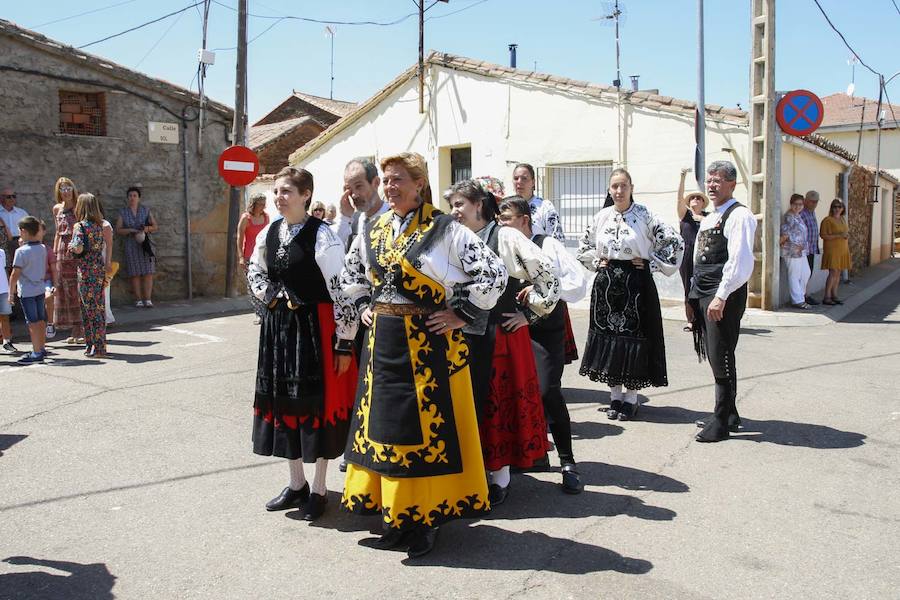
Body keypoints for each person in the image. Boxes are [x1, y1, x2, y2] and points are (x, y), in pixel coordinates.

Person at [340, 152, 507, 558]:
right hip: (383, 346)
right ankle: (396, 517)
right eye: (386, 179)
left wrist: (460, 314)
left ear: (419, 184)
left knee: (427, 434)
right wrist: (365, 303)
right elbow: (350, 275)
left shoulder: (445, 228)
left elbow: (494, 273)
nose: (390, 186)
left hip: (429, 348)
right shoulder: (373, 227)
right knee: (386, 431)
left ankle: (426, 520)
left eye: (399, 179)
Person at [247, 166, 359, 522]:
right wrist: (272, 296)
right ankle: (296, 483)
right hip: (281, 328)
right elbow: (255, 270)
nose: (279, 197)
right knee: (285, 404)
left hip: (315, 327)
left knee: (317, 405)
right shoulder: (270, 230)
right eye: (277, 191)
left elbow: (342, 289)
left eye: (286, 192)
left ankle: (321, 488)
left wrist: (344, 341)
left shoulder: (323, 235)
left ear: (306, 195)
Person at [448, 180, 558, 505]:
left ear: (479, 205)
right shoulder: (454, 239)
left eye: (459, 204)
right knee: (470, 406)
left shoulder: (506, 236)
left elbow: (548, 274)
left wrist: (530, 314)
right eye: (452, 204)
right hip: (462, 335)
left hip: (500, 336)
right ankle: (474, 474)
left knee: (498, 405)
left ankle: (500, 478)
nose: (453, 211)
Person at [577, 168, 684, 421]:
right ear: (609, 189)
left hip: (635, 284)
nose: (618, 191)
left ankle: (632, 399)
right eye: (614, 186)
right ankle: (615, 396)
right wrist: (595, 261)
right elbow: (584, 245)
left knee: (633, 340)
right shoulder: (602, 216)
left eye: (623, 185)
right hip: (606, 286)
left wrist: (652, 263)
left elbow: (675, 242)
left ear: (631, 188)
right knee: (610, 339)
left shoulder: (645, 215)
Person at [500, 196, 589, 493]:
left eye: (508, 220)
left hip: (543, 330)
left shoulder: (546, 244)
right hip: (512, 330)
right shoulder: (498, 244)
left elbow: (576, 283)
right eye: (500, 221)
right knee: (513, 393)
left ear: (524, 220)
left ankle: (568, 462)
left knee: (547, 390)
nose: (503, 226)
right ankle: (528, 455)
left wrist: (537, 297)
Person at [689, 161, 757, 443]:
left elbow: (739, 261)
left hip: (722, 294)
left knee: (721, 353)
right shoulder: (710, 216)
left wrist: (721, 296)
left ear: (732, 184)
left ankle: (720, 422)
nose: (712, 185)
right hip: (705, 291)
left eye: (718, 180)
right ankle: (729, 413)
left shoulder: (739, 215)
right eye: (710, 180)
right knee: (719, 353)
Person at [512, 163, 579, 363]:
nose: (519, 182)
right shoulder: (509, 206)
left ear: (533, 182)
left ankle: (549, 383)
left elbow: (556, 241)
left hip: (543, 277)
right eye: (516, 178)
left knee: (547, 338)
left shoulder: (544, 207)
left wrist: (543, 279)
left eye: (524, 178)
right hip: (518, 277)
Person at [68, 194, 113, 358]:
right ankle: (99, 346)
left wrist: (71, 246)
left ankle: (92, 346)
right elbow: (107, 245)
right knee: (98, 309)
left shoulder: (79, 226)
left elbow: (78, 248)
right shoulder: (100, 225)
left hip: (86, 271)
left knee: (88, 310)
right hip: (98, 269)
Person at [9, 216, 48, 363]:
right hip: (39, 288)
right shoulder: (42, 248)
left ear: (24, 231)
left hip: (27, 291)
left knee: (32, 322)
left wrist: (11, 293)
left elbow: (15, 274)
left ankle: (36, 352)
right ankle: (41, 348)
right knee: (40, 320)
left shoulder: (21, 252)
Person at [51, 178, 84, 344]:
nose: (66, 191)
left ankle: (81, 329)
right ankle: (73, 329)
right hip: (62, 252)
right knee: (64, 290)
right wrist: (55, 254)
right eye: (62, 188)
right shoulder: (57, 208)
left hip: (76, 251)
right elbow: (57, 233)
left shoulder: (78, 207)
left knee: (76, 289)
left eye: (68, 188)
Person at [676, 168, 709, 331]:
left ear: (703, 203)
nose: (696, 199)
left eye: (699, 198)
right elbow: (679, 200)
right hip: (688, 255)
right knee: (689, 289)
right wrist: (682, 179)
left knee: (704, 287)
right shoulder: (685, 216)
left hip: (704, 255)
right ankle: (691, 320)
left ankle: (703, 319)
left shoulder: (709, 217)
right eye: (693, 198)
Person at [115, 187, 157, 308]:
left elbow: (155, 226)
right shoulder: (123, 212)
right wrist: (130, 230)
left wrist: (146, 229)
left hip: (145, 244)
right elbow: (118, 229)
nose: (132, 198)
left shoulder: (146, 210)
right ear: (127, 198)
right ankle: (138, 299)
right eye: (130, 196)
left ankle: (148, 299)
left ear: (139, 198)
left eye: (135, 196)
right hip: (131, 244)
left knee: (148, 272)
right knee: (135, 273)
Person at [337, 158, 390, 252]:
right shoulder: (352, 223)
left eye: (359, 186)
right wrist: (345, 217)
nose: (354, 195)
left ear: (376, 182)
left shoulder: (395, 218)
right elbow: (335, 252)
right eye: (349, 188)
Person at [237, 194, 270, 324]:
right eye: (261, 203)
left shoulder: (266, 217)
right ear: (254, 204)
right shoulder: (246, 218)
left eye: (264, 203)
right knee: (253, 286)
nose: (263, 206)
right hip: (249, 257)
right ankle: (259, 313)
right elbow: (239, 238)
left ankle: (266, 312)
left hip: (264, 256)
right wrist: (240, 257)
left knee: (265, 284)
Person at [780, 194, 811, 309]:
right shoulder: (789, 216)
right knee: (795, 275)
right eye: (795, 204)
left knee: (806, 273)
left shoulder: (798, 216)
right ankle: (798, 300)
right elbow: (785, 233)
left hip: (801, 251)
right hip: (792, 251)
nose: (798, 206)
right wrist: (794, 244)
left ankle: (800, 296)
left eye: (800, 204)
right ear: (791, 204)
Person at [820, 199, 851, 305]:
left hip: (842, 249)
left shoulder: (842, 219)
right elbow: (823, 235)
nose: (837, 209)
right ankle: (827, 296)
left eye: (839, 207)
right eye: (835, 206)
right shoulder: (827, 220)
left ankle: (834, 295)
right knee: (833, 272)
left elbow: (844, 232)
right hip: (832, 250)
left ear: (843, 208)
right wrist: (839, 235)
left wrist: (845, 235)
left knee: (838, 273)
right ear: (832, 208)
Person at [798, 190, 820, 305]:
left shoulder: (812, 212)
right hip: (804, 250)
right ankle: (803, 296)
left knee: (809, 272)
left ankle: (806, 294)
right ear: (806, 201)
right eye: (812, 202)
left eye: (816, 202)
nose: (814, 204)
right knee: (805, 273)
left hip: (812, 249)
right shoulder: (802, 213)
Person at [1, 187, 29, 272]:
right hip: (3, 244)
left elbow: (30, 227)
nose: (12, 199)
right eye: (8, 197)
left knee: (20, 268)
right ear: (2, 198)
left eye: (14, 196)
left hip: (19, 242)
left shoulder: (22, 213)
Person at [0, 248, 16, 354]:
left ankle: (6, 342)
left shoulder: (1, 252)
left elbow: (5, 270)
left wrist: (10, 288)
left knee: (5, 316)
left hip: (3, 289)